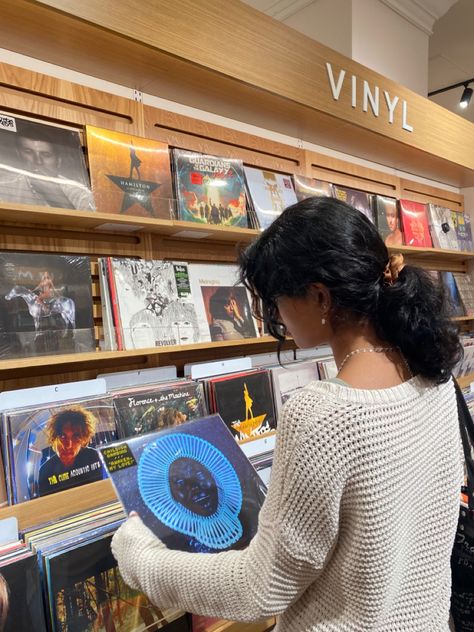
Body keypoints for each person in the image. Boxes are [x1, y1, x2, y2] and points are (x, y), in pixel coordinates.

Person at [111, 197, 463, 630]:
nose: (273, 315)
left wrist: (143, 560)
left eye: (276, 298)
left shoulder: (324, 414)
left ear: (320, 297)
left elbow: (260, 588)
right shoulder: (435, 374)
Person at [0, 122, 95, 210]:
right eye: (28, 152)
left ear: (59, 160)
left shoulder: (79, 193)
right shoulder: (5, 187)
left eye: (46, 155)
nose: (38, 161)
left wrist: (57, 196)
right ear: (18, 154)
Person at [38, 405, 104, 496]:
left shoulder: (93, 457)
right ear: (54, 439)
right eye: (63, 436)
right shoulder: (45, 470)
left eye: (75, 437)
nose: (68, 445)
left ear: (83, 440)